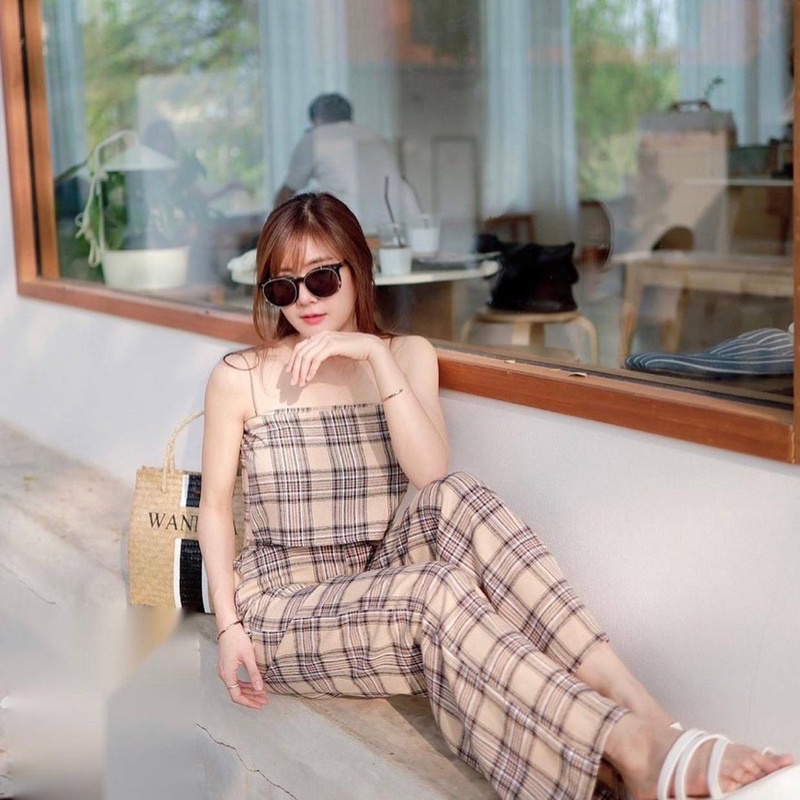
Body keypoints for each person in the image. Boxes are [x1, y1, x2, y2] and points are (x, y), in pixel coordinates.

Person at [197, 192, 796, 800]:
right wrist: (229, 628)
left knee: (458, 494)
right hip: (284, 609)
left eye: (322, 279)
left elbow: (429, 473)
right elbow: (216, 509)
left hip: (376, 577)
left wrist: (375, 356)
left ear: (358, 269)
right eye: (284, 287)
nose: (305, 300)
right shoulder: (241, 378)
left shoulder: (404, 356)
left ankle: (646, 712)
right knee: (435, 590)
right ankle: (635, 750)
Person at [273, 93, 419, 234]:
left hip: (349, 232)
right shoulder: (376, 137)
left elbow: (288, 190)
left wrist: (274, 228)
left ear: (316, 119)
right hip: (391, 231)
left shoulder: (314, 138)